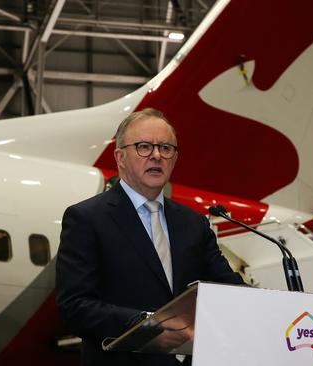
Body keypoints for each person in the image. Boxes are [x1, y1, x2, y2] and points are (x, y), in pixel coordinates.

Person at [55, 108, 244, 366]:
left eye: (166, 148)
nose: (156, 156)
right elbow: (75, 307)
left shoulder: (194, 223)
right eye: (144, 147)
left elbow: (231, 291)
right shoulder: (87, 218)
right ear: (120, 157)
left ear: (175, 158)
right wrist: (146, 324)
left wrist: (275, 309)